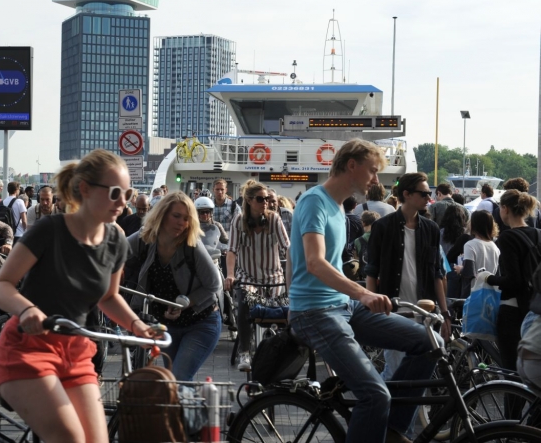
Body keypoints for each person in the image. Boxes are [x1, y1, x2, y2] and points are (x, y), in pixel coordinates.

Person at [0, 149, 155, 443]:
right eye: (115, 193)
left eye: (127, 194)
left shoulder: (116, 241)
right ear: (85, 189)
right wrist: (26, 310)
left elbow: (108, 297)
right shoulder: (50, 229)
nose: (123, 202)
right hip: (29, 347)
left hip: (76, 351)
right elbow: (0, 285)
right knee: (70, 437)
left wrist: (137, 326)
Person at [288, 139, 440, 443]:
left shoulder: (338, 207)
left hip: (342, 306)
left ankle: (392, 430)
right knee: (375, 395)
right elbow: (315, 263)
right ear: (351, 165)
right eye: (372, 171)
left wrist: (358, 293)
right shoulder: (314, 201)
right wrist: (364, 294)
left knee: (429, 342)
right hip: (314, 312)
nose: (375, 180)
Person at [365, 172, 450, 386]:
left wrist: (445, 312)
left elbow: (437, 273)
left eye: (429, 193)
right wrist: (373, 306)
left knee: (420, 377)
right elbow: (372, 271)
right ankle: (379, 403)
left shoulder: (431, 229)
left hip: (425, 314)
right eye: (424, 193)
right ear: (407, 194)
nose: (429, 198)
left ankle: (390, 405)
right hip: (394, 311)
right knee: (394, 372)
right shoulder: (383, 227)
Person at [128, 191, 222, 381]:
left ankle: (198, 401)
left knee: (178, 378)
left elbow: (214, 284)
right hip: (168, 325)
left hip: (201, 322)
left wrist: (186, 303)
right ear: (162, 215)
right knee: (174, 382)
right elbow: (115, 250)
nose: (181, 223)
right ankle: (190, 401)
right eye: (176, 216)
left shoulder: (192, 245)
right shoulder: (145, 237)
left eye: (186, 219)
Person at [225, 182, 290, 371]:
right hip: (247, 277)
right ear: (248, 200)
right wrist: (230, 275)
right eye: (260, 199)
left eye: (267, 199)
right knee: (244, 305)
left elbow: (288, 248)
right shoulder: (238, 221)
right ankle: (245, 352)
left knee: (283, 311)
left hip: (274, 278)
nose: (265, 203)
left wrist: (294, 275)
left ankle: (283, 350)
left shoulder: (274, 219)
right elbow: (231, 250)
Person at [488, 189, 541, 372]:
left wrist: (489, 278)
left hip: (514, 309)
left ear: (505, 209)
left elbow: (513, 280)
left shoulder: (507, 237)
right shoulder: (538, 233)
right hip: (535, 306)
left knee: (511, 368)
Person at [452, 210, 499, 298]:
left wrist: (460, 269)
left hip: (472, 293)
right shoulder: (494, 247)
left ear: (474, 225)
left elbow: (469, 271)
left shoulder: (470, 245)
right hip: (490, 293)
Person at [352, 210, 380, 279]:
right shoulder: (382, 238)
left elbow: (356, 260)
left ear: (363, 223)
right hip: (380, 275)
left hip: (365, 276)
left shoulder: (358, 241)